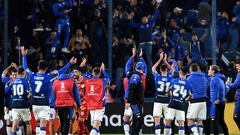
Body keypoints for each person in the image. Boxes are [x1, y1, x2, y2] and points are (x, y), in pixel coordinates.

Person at [21, 47, 76, 135]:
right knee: (43, 125)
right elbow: (61, 71)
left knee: (38, 123)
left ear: (38, 67)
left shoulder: (32, 75)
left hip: (34, 104)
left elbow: (25, 67)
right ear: (46, 68)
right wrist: (69, 63)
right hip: (44, 103)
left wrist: (23, 56)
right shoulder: (49, 76)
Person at [128, 2, 160, 74]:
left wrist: (156, 9)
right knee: (139, 58)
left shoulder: (150, 24)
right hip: (141, 44)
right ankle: (138, 71)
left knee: (149, 59)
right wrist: (131, 18)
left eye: (146, 18)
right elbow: (132, 24)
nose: (145, 19)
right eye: (143, 18)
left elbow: (155, 17)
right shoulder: (139, 25)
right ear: (142, 20)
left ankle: (151, 73)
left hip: (148, 44)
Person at [123, 48, 147, 135]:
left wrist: (133, 56)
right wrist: (141, 57)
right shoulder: (140, 76)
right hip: (134, 101)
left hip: (132, 100)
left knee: (130, 117)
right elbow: (145, 67)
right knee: (135, 118)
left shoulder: (130, 75)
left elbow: (127, 66)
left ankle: (129, 133)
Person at [164, 67, 191, 135]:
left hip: (172, 103)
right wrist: (185, 100)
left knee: (168, 122)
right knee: (181, 124)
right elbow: (190, 96)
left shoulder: (174, 81)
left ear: (180, 73)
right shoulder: (188, 83)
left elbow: (169, 92)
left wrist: (171, 95)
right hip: (181, 105)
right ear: (186, 73)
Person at [6, 67, 32, 135]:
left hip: (14, 105)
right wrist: (26, 98)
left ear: (17, 73)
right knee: (28, 123)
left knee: (15, 121)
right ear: (23, 73)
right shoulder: (26, 81)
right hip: (23, 104)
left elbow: (7, 91)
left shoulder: (13, 82)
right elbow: (30, 93)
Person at [152, 52, 172, 135]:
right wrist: (165, 61)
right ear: (167, 70)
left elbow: (153, 68)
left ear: (160, 70)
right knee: (167, 121)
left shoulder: (157, 77)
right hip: (167, 101)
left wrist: (160, 59)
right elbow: (172, 70)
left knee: (157, 120)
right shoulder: (170, 78)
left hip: (158, 101)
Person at [85, 65, 109, 135]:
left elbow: (83, 75)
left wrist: (83, 67)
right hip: (100, 105)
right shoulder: (103, 81)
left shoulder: (88, 81)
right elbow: (107, 78)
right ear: (100, 73)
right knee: (96, 125)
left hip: (91, 105)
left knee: (96, 125)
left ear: (93, 73)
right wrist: (103, 70)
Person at [187, 63, 208, 135]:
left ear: (191, 69)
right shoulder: (204, 77)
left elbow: (187, 89)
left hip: (195, 100)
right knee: (200, 120)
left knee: (190, 120)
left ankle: (196, 134)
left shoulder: (190, 78)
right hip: (203, 101)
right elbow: (206, 86)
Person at [208, 65, 229, 135]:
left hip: (216, 102)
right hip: (221, 101)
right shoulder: (221, 78)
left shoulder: (215, 79)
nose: (208, 71)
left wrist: (219, 99)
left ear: (213, 71)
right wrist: (223, 98)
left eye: (209, 69)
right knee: (221, 121)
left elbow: (220, 89)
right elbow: (226, 89)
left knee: (214, 120)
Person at [73, 66, 90, 135]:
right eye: (73, 72)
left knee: (81, 121)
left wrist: (83, 105)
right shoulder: (72, 82)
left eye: (76, 72)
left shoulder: (86, 81)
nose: (74, 73)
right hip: (74, 105)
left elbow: (87, 95)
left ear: (80, 73)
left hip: (83, 104)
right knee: (79, 122)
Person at [1, 64, 18, 135]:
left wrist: (15, 67)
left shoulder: (18, 80)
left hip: (16, 106)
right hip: (8, 106)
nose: (14, 76)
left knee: (17, 125)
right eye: (12, 75)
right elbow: (3, 74)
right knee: (8, 124)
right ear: (10, 75)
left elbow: (20, 73)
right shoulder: (7, 81)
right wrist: (10, 67)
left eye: (15, 75)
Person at [226, 61, 240, 130]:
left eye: (238, 66)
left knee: (235, 116)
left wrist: (228, 83)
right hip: (238, 94)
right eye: (236, 66)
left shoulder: (239, 74)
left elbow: (235, 85)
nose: (237, 68)